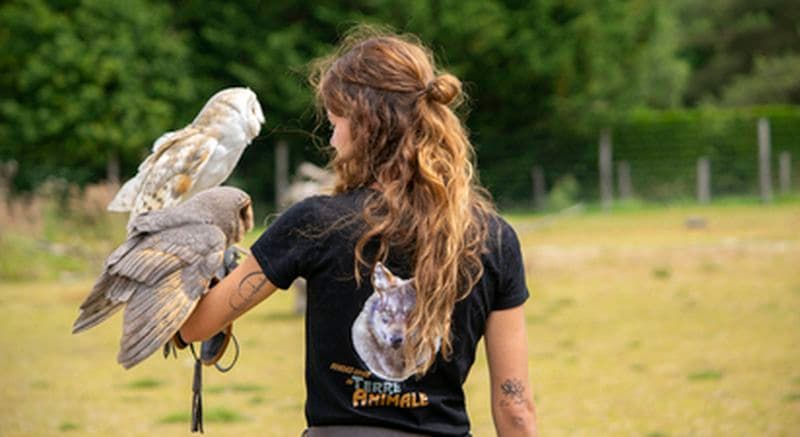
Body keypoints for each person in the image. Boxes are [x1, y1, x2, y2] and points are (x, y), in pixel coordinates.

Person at [180, 27, 538, 437]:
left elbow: (194, 327)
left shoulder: (313, 222)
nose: (332, 140)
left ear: (368, 125)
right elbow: (515, 406)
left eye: (336, 123)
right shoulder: (492, 238)